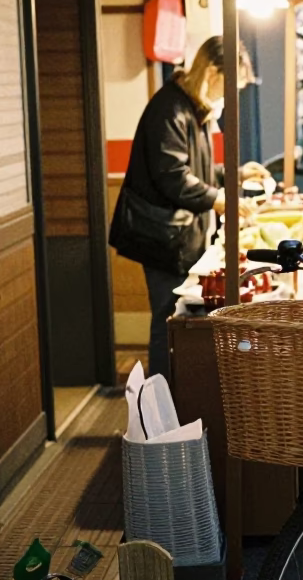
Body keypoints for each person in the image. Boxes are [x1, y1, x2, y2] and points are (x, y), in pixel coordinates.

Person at [109, 35, 266, 378]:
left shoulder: (193, 108)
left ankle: (176, 399)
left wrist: (236, 175)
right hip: (162, 235)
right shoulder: (171, 109)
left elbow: (199, 171)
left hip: (177, 233)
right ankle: (159, 408)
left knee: (176, 319)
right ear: (211, 72)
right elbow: (174, 177)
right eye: (228, 87)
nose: (227, 96)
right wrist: (221, 199)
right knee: (169, 323)